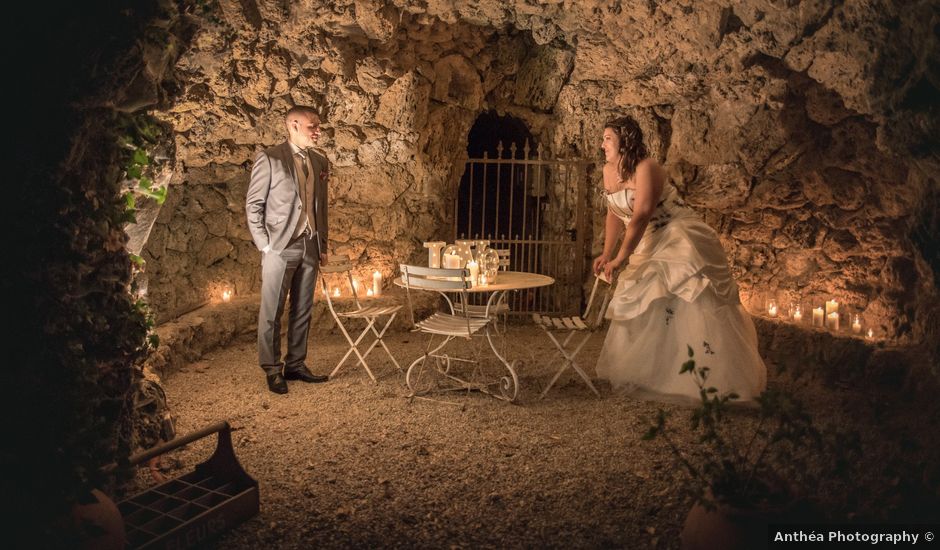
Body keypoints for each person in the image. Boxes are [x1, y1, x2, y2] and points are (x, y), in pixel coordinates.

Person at [592, 115, 766, 403]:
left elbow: (641, 215)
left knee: (688, 299)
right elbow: (614, 213)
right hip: (646, 241)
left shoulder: (646, 168)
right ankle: (653, 373)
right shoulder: (609, 171)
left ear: (625, 141)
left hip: (675, 233)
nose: (602, 144)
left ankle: (705, 379)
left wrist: (621, 258)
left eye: (608, 138)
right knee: (644, 300)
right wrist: (607, 253)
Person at [246, 106, 330, 394]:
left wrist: (323, 245)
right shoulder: (270, 158)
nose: (318, 131)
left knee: (303, 308)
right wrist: (265, 244)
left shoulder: (320, 162)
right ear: (294, 125)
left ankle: (296, 364)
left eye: (318, 126)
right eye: (313, 126)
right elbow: (254, 205)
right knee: (272, 310)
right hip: (279, 246)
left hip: (310, 244)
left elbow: (321, 207)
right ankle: (272, 369)